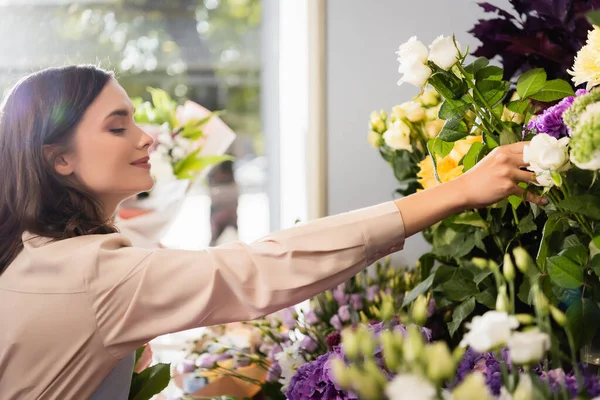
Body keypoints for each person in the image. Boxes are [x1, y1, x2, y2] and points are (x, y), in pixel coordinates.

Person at [0, 65, 545, 399]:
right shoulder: (90, 274)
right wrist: (458, 192)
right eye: (118, 126)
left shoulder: (47, 258)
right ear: (60, 159)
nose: (146, 138)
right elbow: (258, 267)